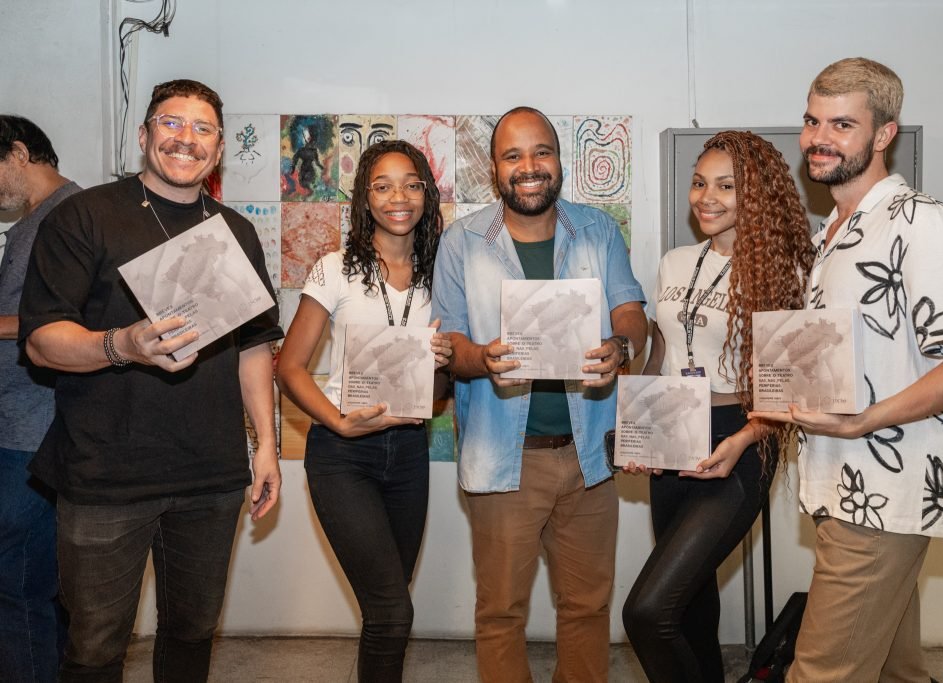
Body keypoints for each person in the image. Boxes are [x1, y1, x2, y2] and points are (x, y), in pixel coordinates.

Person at [750, 57, 943, 682]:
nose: (819, 138)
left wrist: (867, 420)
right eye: (812, 121)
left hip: (882, 496)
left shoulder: (919, 222)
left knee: (817, 675)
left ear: (884, 134)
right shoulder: (832, 233)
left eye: (842, 124)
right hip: (842, 488)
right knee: (898, 673)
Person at [18, 79, 282, 682]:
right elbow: (40, 340)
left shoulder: (235, 232)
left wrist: (265, 446)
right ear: (144, 136)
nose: (185, 139)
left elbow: (253, 349)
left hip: (210, 476)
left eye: (202, 129)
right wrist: (123, 345)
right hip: (104, 477)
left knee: (191, 636)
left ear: (217, 149)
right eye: (171, 123)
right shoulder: (86, 216)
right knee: (94, 649)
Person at [432, 106, 647, 682]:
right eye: (513, 155)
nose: (529, 167)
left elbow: (631, 310)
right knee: (501, 611)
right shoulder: (462, 242)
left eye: (540, 153)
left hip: (588, 459)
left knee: (587, 607)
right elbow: (448, 339)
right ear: (494, 169)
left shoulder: (599, 230)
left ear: (559, 160)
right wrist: (483, 358)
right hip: (503, 458)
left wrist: (622, 348)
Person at [621, 130, 815, 682]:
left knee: (648, 610)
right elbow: (663, 348)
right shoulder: (677, 261)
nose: (707, 196)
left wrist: (744, 438)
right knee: (688, 611)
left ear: (756, 193)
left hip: (740, 436)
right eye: (700, 183)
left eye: (727, 186)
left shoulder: (788, 271)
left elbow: (788, 387)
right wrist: (643, 427)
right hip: (673, 428)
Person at [276, 139, 451, 682]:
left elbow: (441, 393)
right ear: (364, 199)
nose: (398, 197)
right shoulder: (335, 269)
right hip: (342, 455)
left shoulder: (442, 274)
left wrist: (443, 363)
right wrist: (337, 421)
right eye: (382, 185)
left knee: (387, 614)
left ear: (426, 193)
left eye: (411, 184)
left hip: (407, 456)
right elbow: (288, 367)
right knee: (393, 611)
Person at [0, 115, 81, 683]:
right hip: (21, 428)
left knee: (18, 587)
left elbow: (67, 322)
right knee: (39, 591)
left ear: (20, 152)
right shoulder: (31, 223)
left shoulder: (68, 217)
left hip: (34, 433)